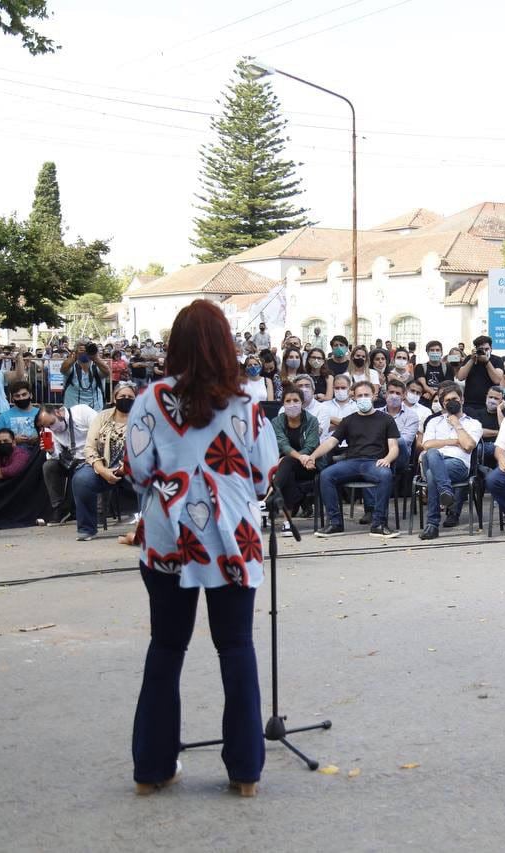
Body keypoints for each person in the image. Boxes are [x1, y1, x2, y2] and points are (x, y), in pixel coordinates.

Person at [121, 301, 277, 797]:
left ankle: (153, 769)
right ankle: (245, 773)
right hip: (233, 540)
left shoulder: (148, 400)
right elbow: (260, 478)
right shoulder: (247, 403)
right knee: (236, 648)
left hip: (168, 538)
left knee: (165, 648)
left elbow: (138, 472)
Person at [308, 381, 401, 539]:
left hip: (374, 462)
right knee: (326, 475)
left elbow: (394, 446)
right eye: (360, 396)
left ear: (373, 396)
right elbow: (331, 442)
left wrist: (387, 459)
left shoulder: (386, 420)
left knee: (385, 475)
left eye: (366, 395)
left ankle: (378, 524)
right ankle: (335, 523)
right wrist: (312, 456)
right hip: (351, 462)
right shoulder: (348, 420)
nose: (363, 398)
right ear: (354, 397)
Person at [72, 383, 138, 541]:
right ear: (114, 399)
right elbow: (89, 448)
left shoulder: (143, 417)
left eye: (130, 397)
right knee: (81, 480)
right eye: (122, 397)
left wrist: (125, 468)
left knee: (151, 481)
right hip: (103, 467)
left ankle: (149, 530)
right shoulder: (102, 416)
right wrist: (102, 470)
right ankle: (87, 529)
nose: (126, 399)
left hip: (134, 469)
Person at [416, 384, 482, 539]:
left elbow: (468, 445)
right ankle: (445, 491)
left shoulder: (473, 423)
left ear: (462, 400)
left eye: (455, 399)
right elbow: (426, 445)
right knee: (431, 453)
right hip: (431, 460)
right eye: (447, 400)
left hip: (457, 465)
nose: (451, 402)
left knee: (433, 474)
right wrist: (453, 441)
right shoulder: (434, 422)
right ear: (442, 404)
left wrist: (457, 424)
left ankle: (432, 524)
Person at [36, 403, 96, 525]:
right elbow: (55, 457)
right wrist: (51, 450)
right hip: (71, 461)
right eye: (48, 426)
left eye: (52, 423)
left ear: (58, 412)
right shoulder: (49, 430)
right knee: (49, 466)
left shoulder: (81, 412)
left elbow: (101, 429)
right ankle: (59, 508)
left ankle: (95, 511)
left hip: (91, 456)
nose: (52, 428)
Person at [269, 387, 320, 531]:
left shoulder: (312, 421)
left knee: (287, 462)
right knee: (288, 468)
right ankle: (287, 523)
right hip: (287, 467)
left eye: (296, 400)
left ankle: (272, 496)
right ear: (283, 404)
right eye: (288, 401)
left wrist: (302, 458)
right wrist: (298, 457)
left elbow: (311, 446)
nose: (292, 404)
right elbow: (282, 444)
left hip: (309, 465)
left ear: (302, 403)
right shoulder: (276, 422)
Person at [457, 335, 505, 420]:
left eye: (486, 349)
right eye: (481, 349)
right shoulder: (470, 359)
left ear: (491, 348)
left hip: (489, 404)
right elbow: (460, 377)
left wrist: (487, 362)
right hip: (469, 403)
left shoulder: (497, 360)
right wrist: (472, 359)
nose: (484, 352)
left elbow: (497, 380)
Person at [61, 343, 110, 411]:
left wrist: (95, 357)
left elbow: (107, 373)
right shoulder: (71, 366)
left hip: (95, 408)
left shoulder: (97, 366)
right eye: (81, 350)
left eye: (87, 351)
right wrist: (74, 357)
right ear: (76, 352)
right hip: (73, 408)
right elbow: (63, 370)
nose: (85, 353)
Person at [0, 381, 42, 448]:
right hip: (12, 455)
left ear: (30, 395)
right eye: (17, 396)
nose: (21, 398)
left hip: (38, 453)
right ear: (12, 398)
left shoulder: (41, 414)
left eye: (24, 394)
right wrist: (11, 440)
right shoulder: (3, 417)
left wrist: (39, 438)